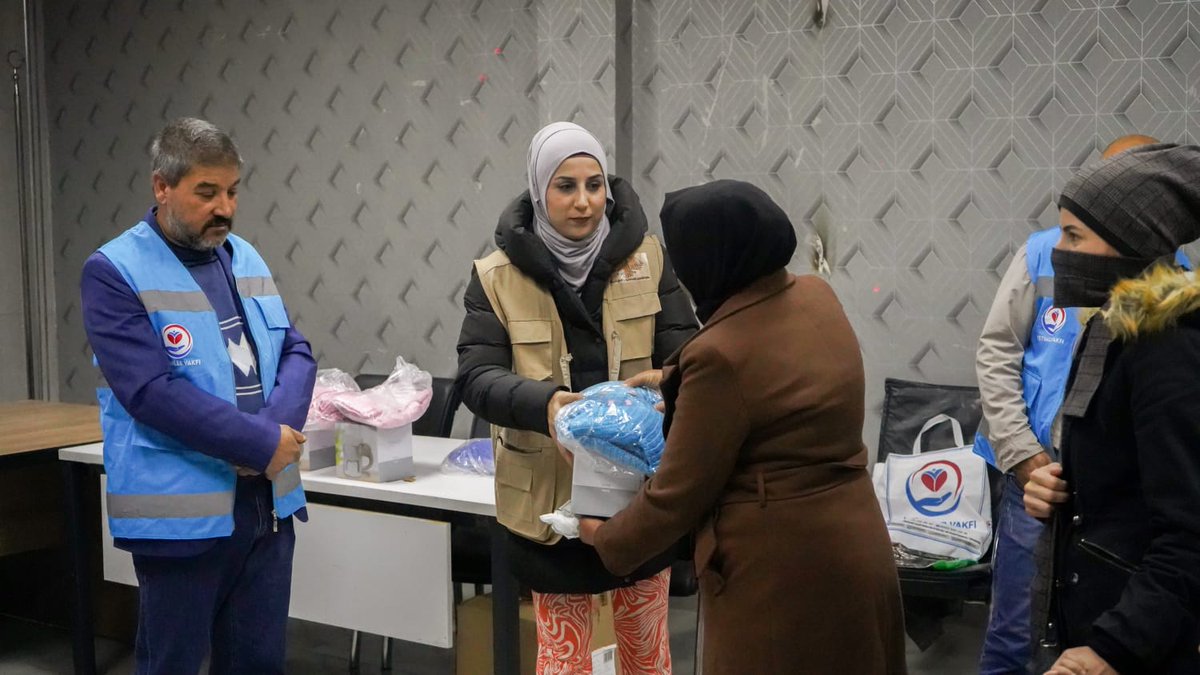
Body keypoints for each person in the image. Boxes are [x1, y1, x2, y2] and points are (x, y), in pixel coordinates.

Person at [577, 179, 907, 674]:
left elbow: (676, 496)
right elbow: (781, 378)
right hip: (855, 548)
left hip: (780, 577)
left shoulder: (718, 356)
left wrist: (605, 539)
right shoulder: (816, 296)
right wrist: (677, 380)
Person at [455, 121, 698, 674]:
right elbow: (476, 376)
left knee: (646, 654)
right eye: (565, 186)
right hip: (549, 497)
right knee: (565, 661)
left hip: (640, 493)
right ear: (539, 190)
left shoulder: (649, 258)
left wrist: (669, 384)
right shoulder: (495, 276)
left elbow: (689, 354)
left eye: (594, 186)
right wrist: (546, 405)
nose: (584, 202)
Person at [80, 117, 315, 675]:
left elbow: (295, 351)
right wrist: (261, 441)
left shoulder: (244, 256)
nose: (225, 208)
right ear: (162, 186)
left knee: (258, 664)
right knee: (174, 664)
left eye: (232, 191)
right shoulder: (114, 270)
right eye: (207, 193)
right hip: (181, 518)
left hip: (266, 511)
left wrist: (275, 437)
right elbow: (149, 391)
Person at [973, 134, 1168, 674]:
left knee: (1098, 630)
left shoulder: (1178, 283)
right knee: (1015, 630)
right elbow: (996, 351)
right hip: (1034, 478)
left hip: (1118, 505)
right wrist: (1024, 455)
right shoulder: (1043, 252)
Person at [1023, 144, 1200, 674]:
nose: (1058, 248)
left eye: (1075, 235)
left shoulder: (1169, 347)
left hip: (1134, 646)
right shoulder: (1110, 326)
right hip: (1097, 619)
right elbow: (1124, 479)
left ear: (1132, 242)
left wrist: (1112, 647)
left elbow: (1190, 533)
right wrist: (1056, 486)